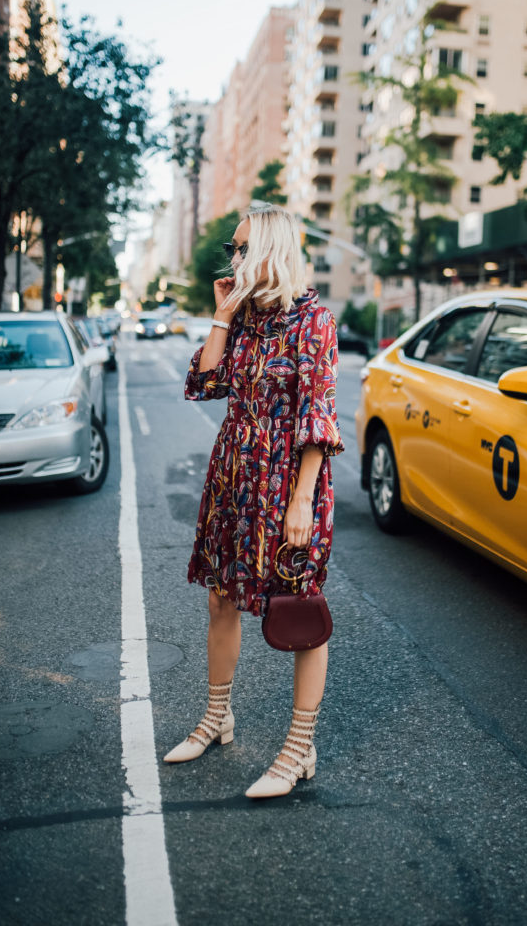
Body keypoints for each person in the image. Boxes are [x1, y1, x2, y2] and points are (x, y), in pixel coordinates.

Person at [164, 205, 343, 799]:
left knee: (299, 608)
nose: (232, 258)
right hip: (234, 476)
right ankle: (217, 719)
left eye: (241, 248)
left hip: (290, 482)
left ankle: (298, 750)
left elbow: (317, 416)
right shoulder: (241, 320)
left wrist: (301, 501)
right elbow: (203, 384)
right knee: (220, 598)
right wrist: (221, 314)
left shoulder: (313, 320)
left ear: (269, 250)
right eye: (232, 248)